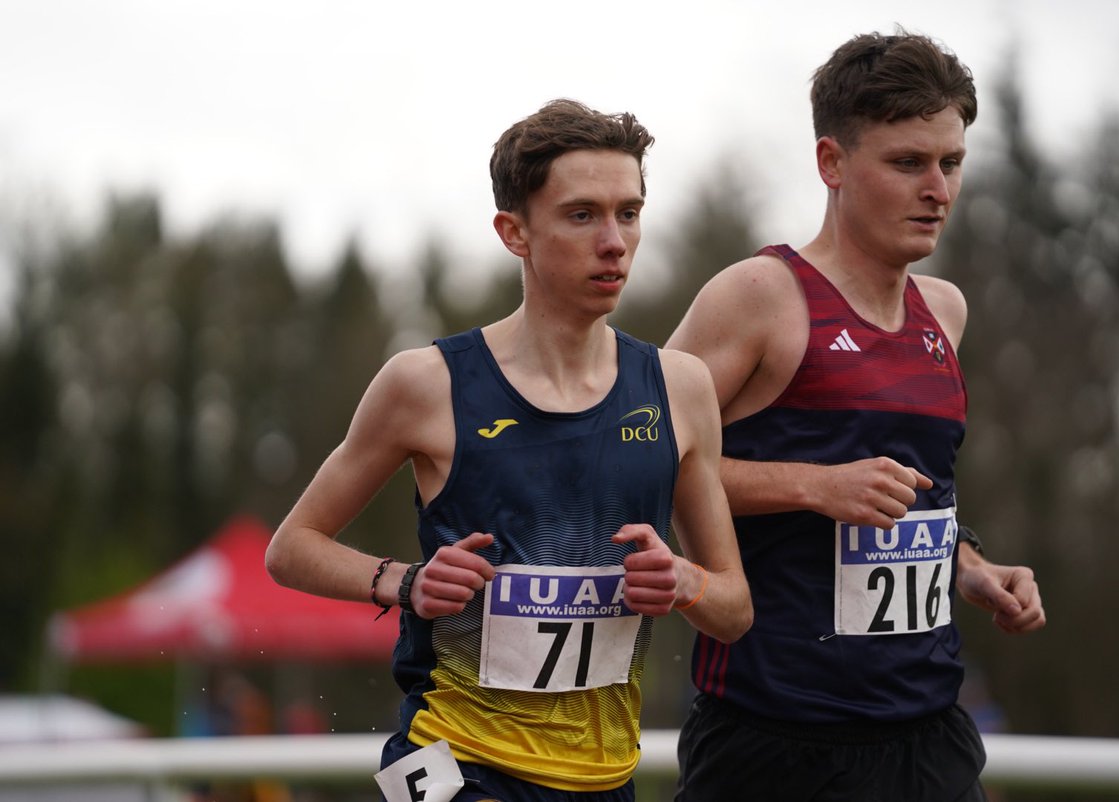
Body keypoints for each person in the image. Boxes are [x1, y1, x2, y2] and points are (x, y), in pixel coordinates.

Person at [265, 98, 751, 802]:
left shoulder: (680, 387)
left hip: (603, 776)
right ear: (514, 232)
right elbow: (291, 547)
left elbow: (734, 609)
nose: (614, 241)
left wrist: (687, 582)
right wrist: (406, 582)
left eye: (629, 213)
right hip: (455, 765)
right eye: (582, 215)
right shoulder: (426, 384)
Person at [665, 30, 1047, 801]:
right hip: (774, 741)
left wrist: (968, 564)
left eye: (951, 163)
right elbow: (630, 458)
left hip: (926, 735)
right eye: (908, 163)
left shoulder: (945, 311)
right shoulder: (760, 296)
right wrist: (811, 486)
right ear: (832, 163)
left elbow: (919, 491)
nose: (937, 188)